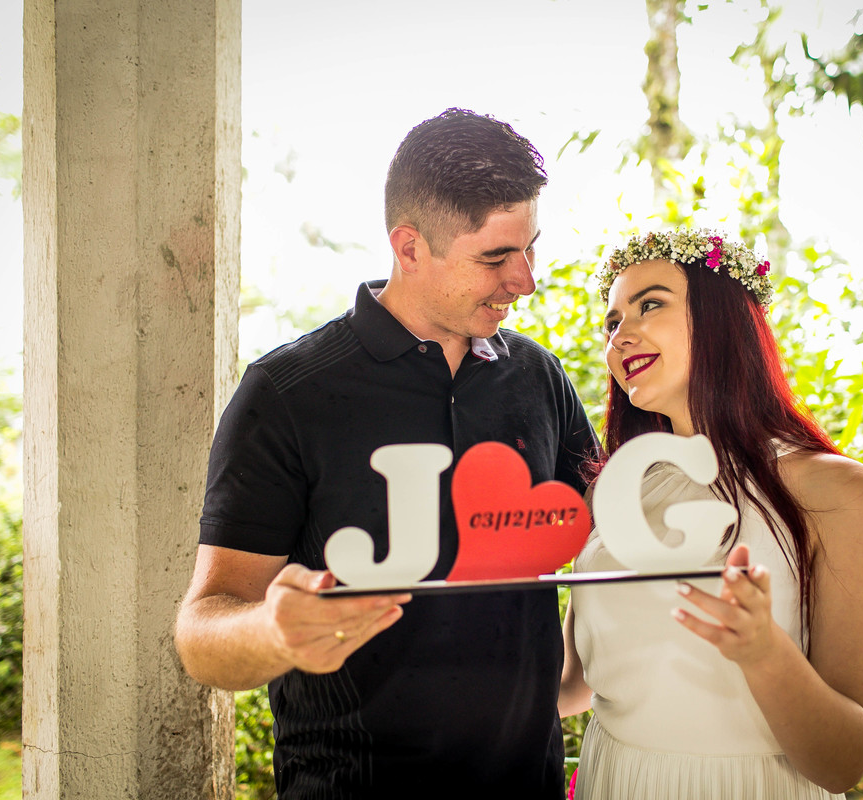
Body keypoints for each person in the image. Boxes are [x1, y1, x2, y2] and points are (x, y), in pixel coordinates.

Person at [174, 108, 599, 799]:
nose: (525, 280)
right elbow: (201, 633)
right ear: (408, 248)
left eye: (530, 249)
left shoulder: (539, 377)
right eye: (495, 258)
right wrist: (273, 631)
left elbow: (612, 540)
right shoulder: (287, 392)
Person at [558, 229, 863, 799]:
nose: (620, 336)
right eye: (612, 322)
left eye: (650, 305)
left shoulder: (841, 493)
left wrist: (763, 652)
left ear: (724, 319)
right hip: (615, 781)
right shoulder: (613, 492)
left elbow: (844, 763)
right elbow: (574, 686)